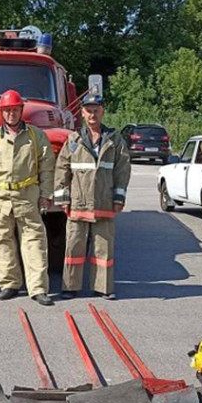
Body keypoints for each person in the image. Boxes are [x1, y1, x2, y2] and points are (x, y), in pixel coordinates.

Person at [0, 89, 55, 306]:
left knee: (35, 241)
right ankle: (9, 284)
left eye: (15, 109)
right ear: (2, 112)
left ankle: (38, 288)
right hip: (0, 198)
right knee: (2, 242)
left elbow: (47, 168)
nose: (11, 114)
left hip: (28, 196)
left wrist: (46, 194)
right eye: (7, 110)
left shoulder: (36, 137)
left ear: (21, 110)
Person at [54, 94, 131, 300]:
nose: (92, 114)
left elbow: (122, 171)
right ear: (82, 112)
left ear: (102, 111)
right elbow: (62, 169)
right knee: (74, 246)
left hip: (104, 202)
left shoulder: (115, 140)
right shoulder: (74, 139)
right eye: (88, 110)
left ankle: (103, 288)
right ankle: (70, 287)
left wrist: (118, 198)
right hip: (78, 203)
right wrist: (63, 198)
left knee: (103, 248)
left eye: (96, 110)